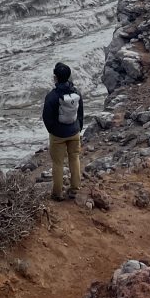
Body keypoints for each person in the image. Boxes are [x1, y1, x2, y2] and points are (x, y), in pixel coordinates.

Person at [42, 61, 84, 200]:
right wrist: (78, 128)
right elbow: (80, 113)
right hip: (74, 132)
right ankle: (75, 189)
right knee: (74, 158)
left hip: (58, 135)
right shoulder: (76, 92)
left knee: (58, 163)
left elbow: (47, 117)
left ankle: (57, 193)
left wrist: (53, 131)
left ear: (55, 77)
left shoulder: (52, 96)